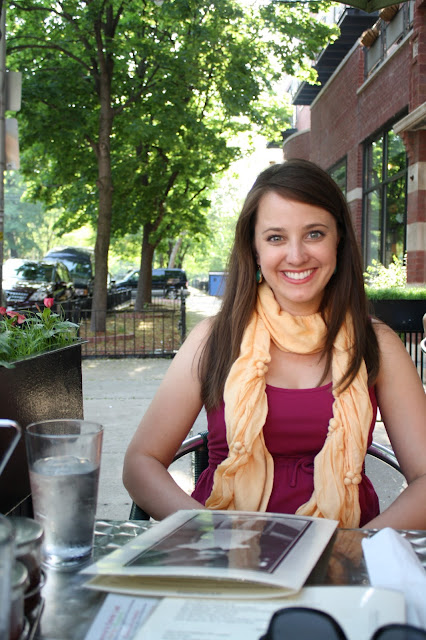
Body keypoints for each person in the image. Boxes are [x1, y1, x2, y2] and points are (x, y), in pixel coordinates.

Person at [123, 159, 426, 529]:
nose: (296, 255)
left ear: (339, 241)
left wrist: (360, 545)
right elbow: (140, 463)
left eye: (314, 234)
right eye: (276, 238)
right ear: (254, 249)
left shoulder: (377, 343)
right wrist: (206, 532)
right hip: (226, 550)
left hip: (345, 551)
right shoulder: (214, 339)